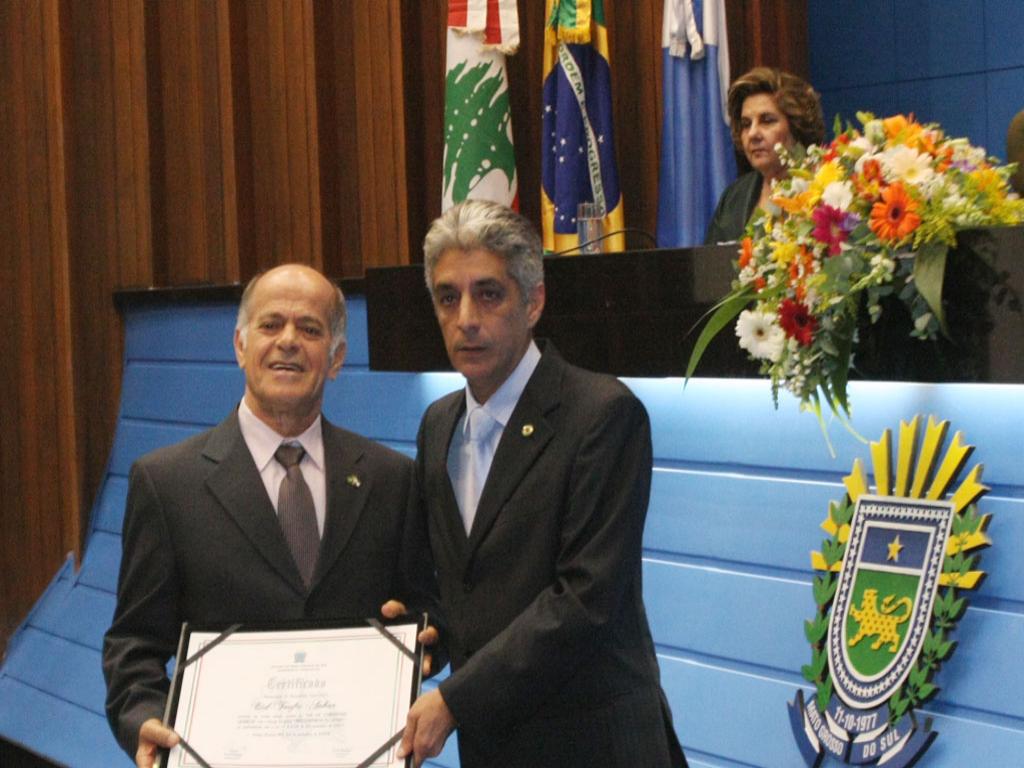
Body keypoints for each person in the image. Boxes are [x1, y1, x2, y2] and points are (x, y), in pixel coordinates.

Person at [103, 264, 439, 767]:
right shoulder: (166, 483)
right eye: (270, 324)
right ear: (240, 346)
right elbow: (135, 642)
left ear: (336, 358)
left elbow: (427, 612)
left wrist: (427, 640)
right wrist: (144, 716)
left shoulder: (392, 479)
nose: (288, 341)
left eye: (310, 329)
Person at [398, 200, 687, 768]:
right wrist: (423, 634)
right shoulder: (438, 424)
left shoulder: (602, 414)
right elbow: (462, 583)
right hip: (494, 747)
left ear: (533, 302)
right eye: (448, 297)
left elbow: (584, 600)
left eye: (488, 294)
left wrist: (454, 700)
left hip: (595, 746)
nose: (466, 319)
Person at [704, 66, 825, 244]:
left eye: (767, 121)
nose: (753, 134)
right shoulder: (734, 198)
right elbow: (710, 260)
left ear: (797, 125)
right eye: (746, 124)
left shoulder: (826, 190)